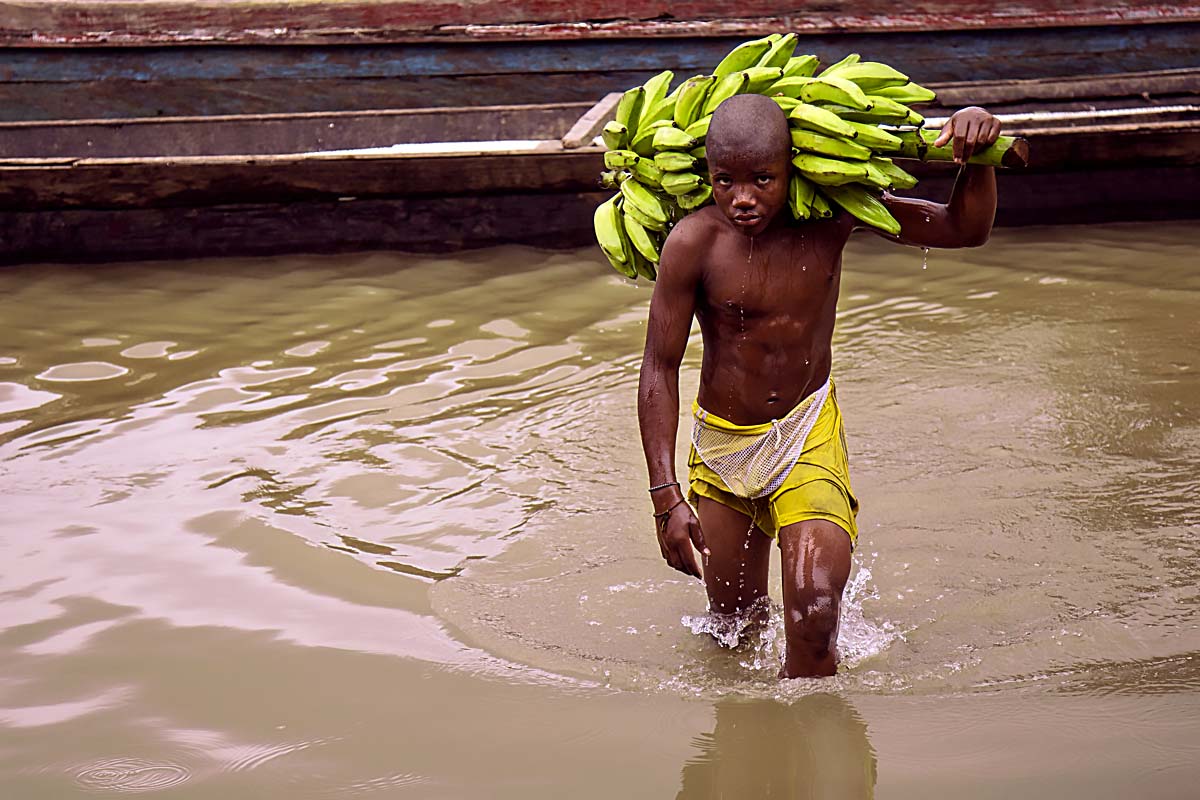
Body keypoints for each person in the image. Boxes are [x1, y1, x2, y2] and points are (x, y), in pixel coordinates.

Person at [638, 93, 1001, 679]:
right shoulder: (694, 243)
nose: (744, 199)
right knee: (734, 632)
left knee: (812, 614)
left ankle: (809, 751)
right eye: (725, 181)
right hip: (723, 445)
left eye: (763, 179)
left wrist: (976, 157)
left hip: (804, 434)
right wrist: (665, 496)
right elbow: (659, 365)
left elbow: (964, 229)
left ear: (792, 169)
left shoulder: (832, 217)